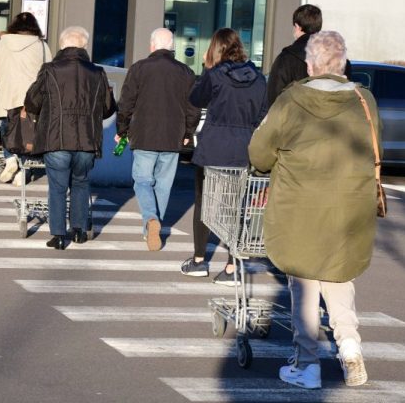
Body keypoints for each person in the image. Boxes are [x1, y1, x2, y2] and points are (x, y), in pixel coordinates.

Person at [249, 30, 379, 390]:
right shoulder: (364, 100)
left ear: (311, 64)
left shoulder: (291, 101)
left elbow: (259, 154)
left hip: (300, 207)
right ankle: (350, 347)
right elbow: (374, 149)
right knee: (338, 278)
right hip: (349, 207)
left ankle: (307, 366)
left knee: (304, 284)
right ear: (341, 64)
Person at [180, 28, 268, 283]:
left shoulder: (216, 75)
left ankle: (199, 260)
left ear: (216, 49)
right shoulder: (259, 78)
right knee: (236, 207)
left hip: (213, 148)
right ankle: (231, 266)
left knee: (205, 202)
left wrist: (208, 72)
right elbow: (262, 111)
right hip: (243, 149)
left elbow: (196, 98)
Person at [24, 26, 116, 250]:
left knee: (57, 186)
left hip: (56, 137)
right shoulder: (97, 73)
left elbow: (32, 101)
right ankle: (78, 230)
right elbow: (108, 108)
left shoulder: (50, 70)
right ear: (84, 46)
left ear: (62, 45)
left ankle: (58, 234)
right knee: (81, 183)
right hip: (86, 139)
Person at [115, 27, 200, 251]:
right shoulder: (186, 72)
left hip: (143, 134)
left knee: (142, 181)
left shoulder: (139, 69)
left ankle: (151, 219)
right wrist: (188, 132)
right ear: (172, 47)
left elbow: (126, 103)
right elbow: (193, 107)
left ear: (152, 45)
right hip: (173, 136)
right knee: (163, 185)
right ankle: (152, 228)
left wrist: (122, 129)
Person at [0, 12, 52, 184]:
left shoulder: (3, 44)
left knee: (7, 128)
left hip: (8, 94)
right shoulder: (42, 46)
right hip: (33, 97)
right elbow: (49, 73)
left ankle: (10, 159)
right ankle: (24, 170)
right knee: (29, 133)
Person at [267, 3, 351, 105]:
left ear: (297, 27)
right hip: (333, 118)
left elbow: (274, 98)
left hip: (296, 118)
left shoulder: (286, 59)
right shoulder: (337, 58)